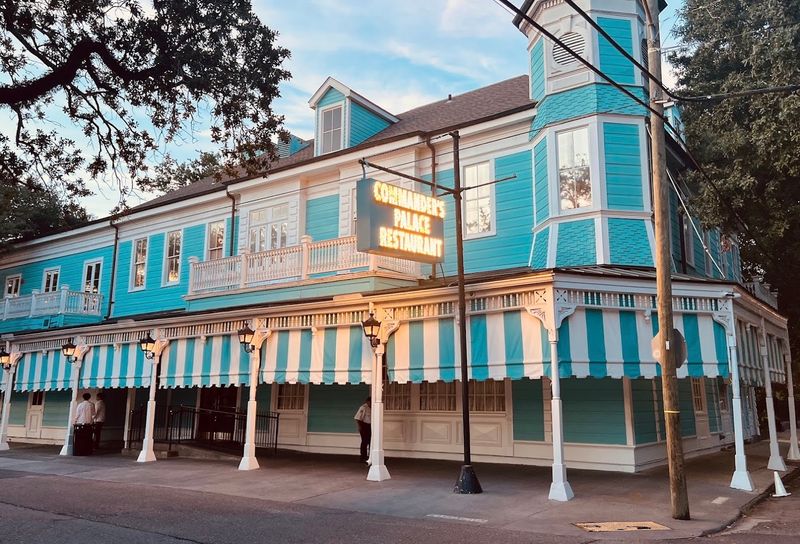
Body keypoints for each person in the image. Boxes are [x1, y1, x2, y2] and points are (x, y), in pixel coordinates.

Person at [353, 396, 371, 463]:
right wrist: (360, 427)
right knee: (364, 441)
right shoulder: (363, 408)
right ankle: (363, 456)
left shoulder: (373, 408)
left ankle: (370, 456)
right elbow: (357, 418)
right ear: (367, 402)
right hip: (364, 425)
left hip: (370, 426)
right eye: (369, 402)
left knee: (370, 441)